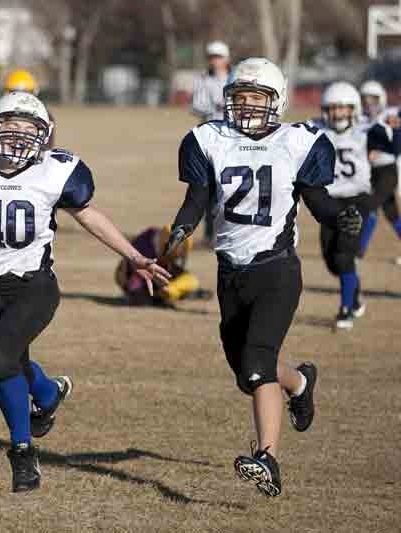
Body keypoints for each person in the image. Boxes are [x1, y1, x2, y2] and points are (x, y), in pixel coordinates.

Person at [0, 91, 170, 492]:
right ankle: (49, 394)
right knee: (11, 361)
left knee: (0, 359)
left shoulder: (57, 171)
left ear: (44, 135)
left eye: (27, 129)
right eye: (10, 126)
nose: (17, 137)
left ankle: (21, 451)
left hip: (36, 284)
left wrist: (135, 256)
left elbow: (89, 216)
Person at [164, 58, 362, 496]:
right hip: (229, 271)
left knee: (255, 366)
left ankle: (267, 459)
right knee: (248, 371)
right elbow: (197, 197)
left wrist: (338, 218)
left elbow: (317, 199)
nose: (247, 105)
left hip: (276, 269)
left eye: (257, 97)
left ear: (278, 101)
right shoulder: (208, 139)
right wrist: (181, 228)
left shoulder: (297, 141)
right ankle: (301, 381)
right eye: (240, 97)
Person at [313, 82, 400, 328]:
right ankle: (355, 296)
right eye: (333, 108)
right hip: (329, 202)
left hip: (357, 199)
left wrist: (372, 203)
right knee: (332, 261)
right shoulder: (315, 130)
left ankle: (346, 310)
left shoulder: (368, 131)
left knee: (344, 255)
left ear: (354, 110)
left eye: (344, 108)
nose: (339, 114)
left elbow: (389, 169)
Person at [192, 41, 232, 246]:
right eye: (212, 57)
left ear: (227, 59)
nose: (214, 61)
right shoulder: (203, 79)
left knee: (228, 186)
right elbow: (196, 106)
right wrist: (215, 105)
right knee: (208, 188)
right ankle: (210, 234)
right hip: (210, 138)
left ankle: (227, 230)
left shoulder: (235, 78)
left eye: (218, 56)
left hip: (232, 138)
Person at [358, 80, 401, 264]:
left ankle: (358, 252)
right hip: (372, 172)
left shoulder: (390, 115)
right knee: (392, 214)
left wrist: (379, 148)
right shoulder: (359, 119)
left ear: (381, 99)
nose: (368, 102)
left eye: (373, 98)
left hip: (388, 171)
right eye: (365, 98)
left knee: (370, 207)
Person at [114, 226, 211, 306]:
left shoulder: (159, 239)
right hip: (135, 277)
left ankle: (169, 294)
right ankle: (160, 297)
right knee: (139, 292)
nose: (177, 256)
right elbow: (128, 271)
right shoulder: (145, 246)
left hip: (156, 276)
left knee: (190, 281)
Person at [0, 69, 45, 147]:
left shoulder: (42, 114)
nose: (20, 98)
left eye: (26, 92)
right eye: (14, 92)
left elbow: (44, 147)